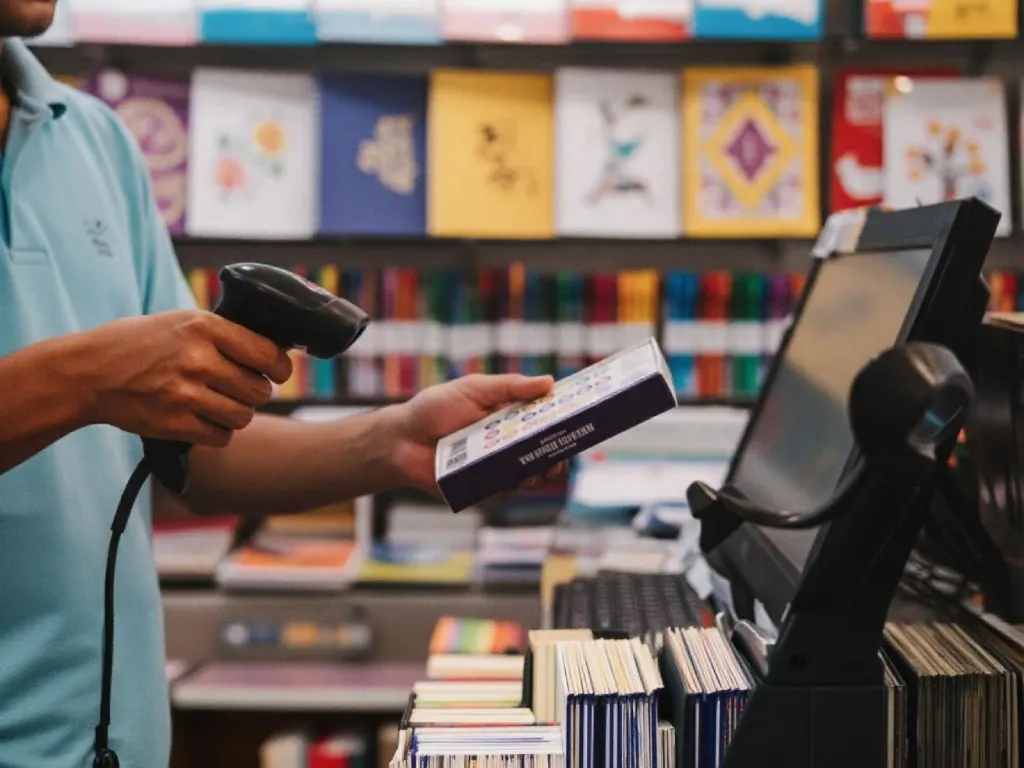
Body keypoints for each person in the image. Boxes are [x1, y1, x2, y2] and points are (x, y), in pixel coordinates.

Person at [0, 3, 560, 767]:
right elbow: (102, 384)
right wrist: (86, 378)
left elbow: (189, 451)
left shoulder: (91, 138)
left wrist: (392, 443)